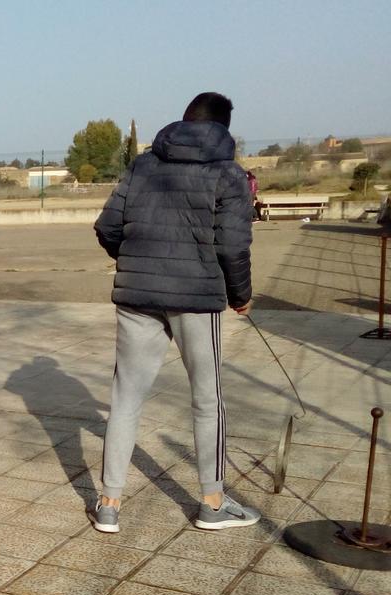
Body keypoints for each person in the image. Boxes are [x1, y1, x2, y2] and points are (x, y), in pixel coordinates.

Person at [92, 92, 259, 533]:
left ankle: (109, 503)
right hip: (197, 298)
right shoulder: (229, 174)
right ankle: (213, 503)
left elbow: (108, 226)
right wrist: (240, 294)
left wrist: (135, 261)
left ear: (184, 120)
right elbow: (232, 245)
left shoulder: (143, 164)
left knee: (125, 398)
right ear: (223, 129)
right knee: (208, 399)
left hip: (136, 297)